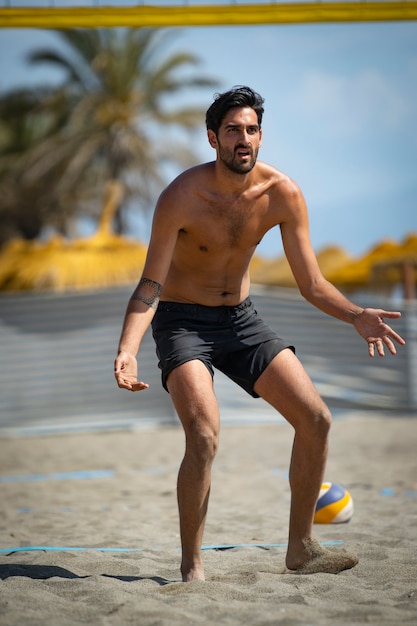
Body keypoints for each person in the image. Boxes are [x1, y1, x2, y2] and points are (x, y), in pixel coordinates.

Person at [114, 86, 405, 582]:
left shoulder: (282, 194)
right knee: (203, 436)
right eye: (232, 130)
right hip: (182, 321)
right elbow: (151, 285)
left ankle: (301, 548)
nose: (243, 139)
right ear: (213, 138)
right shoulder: (181, 197)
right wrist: (127, 349)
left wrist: (356, 314)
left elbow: (312, 283)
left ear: (261, 136)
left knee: (316, 419)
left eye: (251, 130)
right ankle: (192, 566)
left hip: (241, 320)